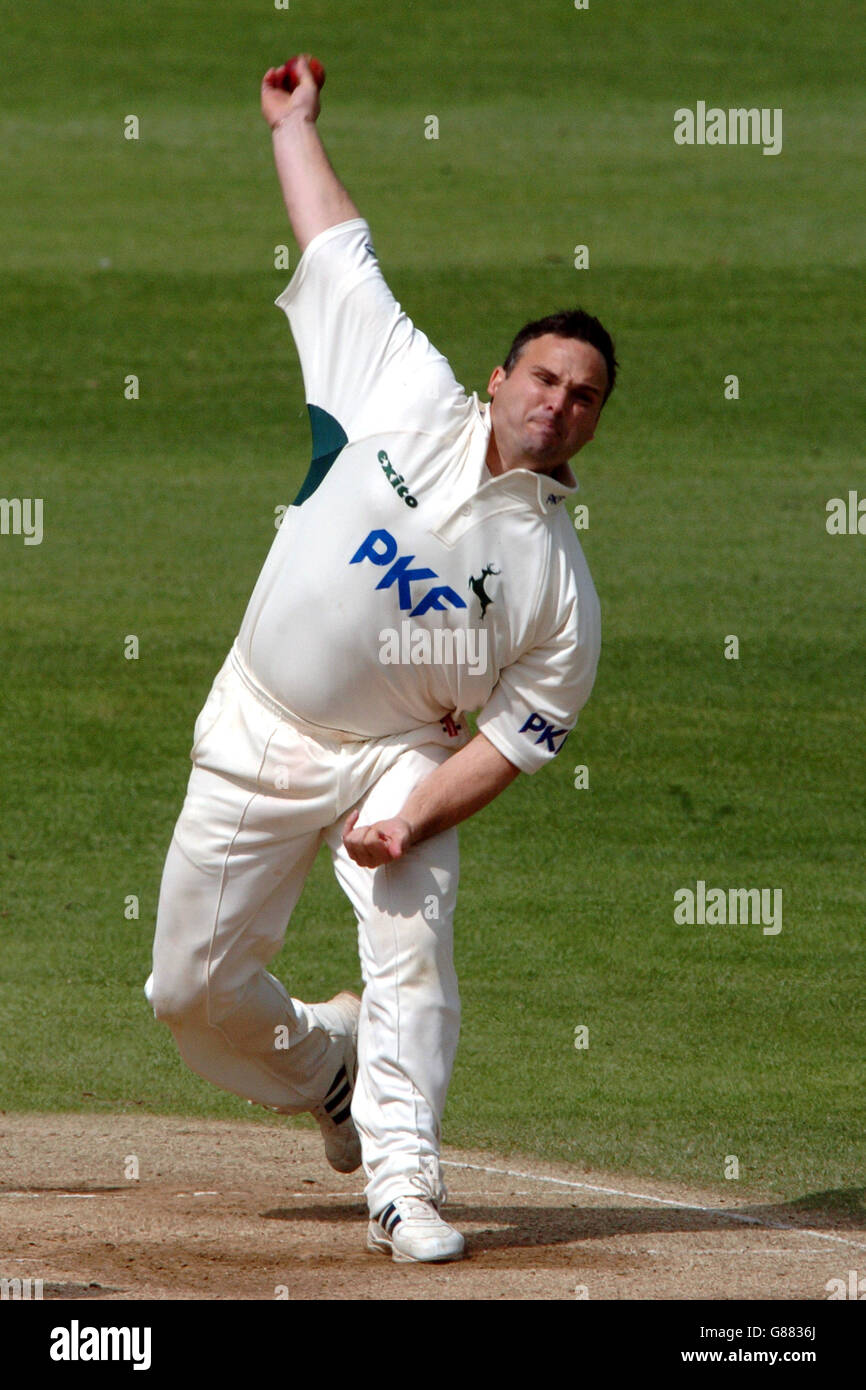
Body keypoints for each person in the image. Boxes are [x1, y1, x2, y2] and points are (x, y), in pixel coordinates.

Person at [145, 55, 616, 1265]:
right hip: (259, 720)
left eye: (583, 397)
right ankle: (327, 1065)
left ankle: (403, 1186)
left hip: (399, 757)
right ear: (501, 376)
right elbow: (334, 245)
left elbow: (513, 741)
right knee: (187, 998)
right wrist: (292, 126)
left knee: (409, 929)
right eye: (544, 377)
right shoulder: (397, 384)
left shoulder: (560, 596)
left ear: (591, 427)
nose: (557, 403)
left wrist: (412, 820)